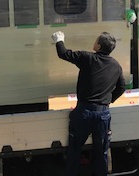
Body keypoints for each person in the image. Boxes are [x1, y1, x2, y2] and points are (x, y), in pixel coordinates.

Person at [52, 31, 125, 176]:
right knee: (101, 152)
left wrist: (59, 40)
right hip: (103, 114)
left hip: (84, 113)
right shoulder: (116, 66)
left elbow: (64, 54)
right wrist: (108, 100)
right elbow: (121, 87)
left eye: (96, 40)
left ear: (98, 46)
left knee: (75, 149)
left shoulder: (88, 58)